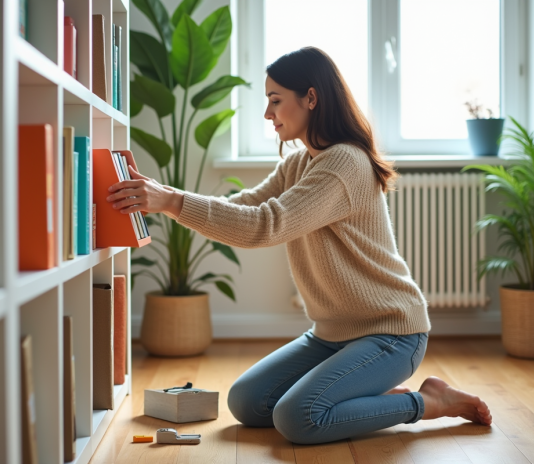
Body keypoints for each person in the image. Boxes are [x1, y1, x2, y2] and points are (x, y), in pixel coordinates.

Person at [106, 47, 492, 445]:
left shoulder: (345, 162)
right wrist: (162, 196)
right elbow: (244, 207)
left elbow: (264, 226)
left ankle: (429, 401)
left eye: (275, 100)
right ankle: (362, 398)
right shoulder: (299, 163)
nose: (267, 113)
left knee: (297, 418)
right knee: (247, 402)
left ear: (311, 98)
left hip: (390, 333)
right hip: (330, 334)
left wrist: (170, 201)